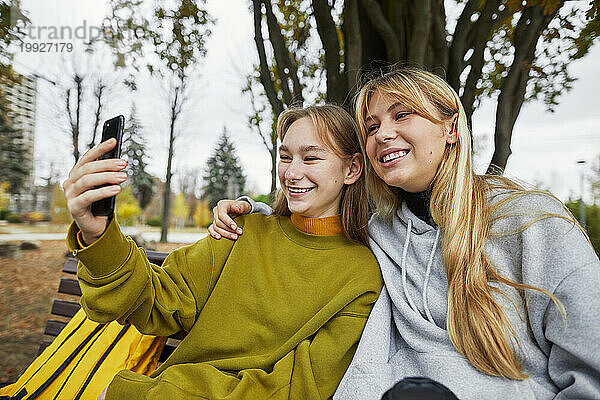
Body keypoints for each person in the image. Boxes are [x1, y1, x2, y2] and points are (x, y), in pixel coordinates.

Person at [208, 68, 600, 399]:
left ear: (450, 127)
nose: (382, 134)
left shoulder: (530, 221)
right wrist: (248, 210)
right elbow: (312, 217)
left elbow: (590, 365)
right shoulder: (378, 231)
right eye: (373, 126)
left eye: (402, 116)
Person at [62, 104, 383, 399]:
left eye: (310, 158)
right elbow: (158, 300)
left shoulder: (362, 277)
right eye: (285, 157)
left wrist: (149, 395)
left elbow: (295, 388)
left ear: (352, 169)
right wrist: (98, 234)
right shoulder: (240, 229)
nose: (292, 173)